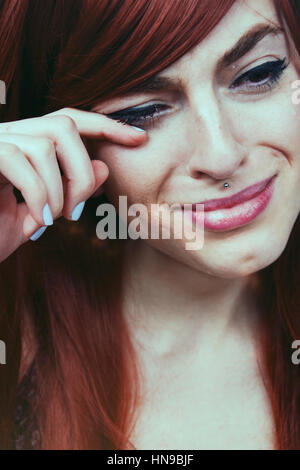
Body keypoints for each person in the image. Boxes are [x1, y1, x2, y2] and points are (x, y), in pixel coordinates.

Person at [0, 0, 299, 450]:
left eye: (259, 73)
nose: (221, 156)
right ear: (66, 140)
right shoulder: (20, 349)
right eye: (140, 111)